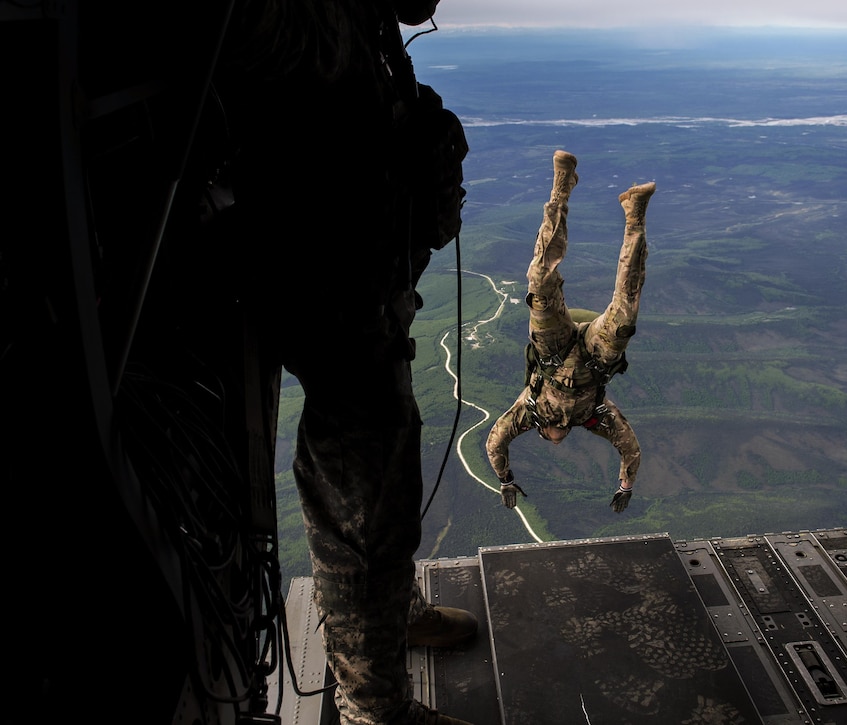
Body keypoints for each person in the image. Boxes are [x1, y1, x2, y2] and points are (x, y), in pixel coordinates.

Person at [218, 1, 477, 723]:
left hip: (354, 285)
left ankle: (388, 618)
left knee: (381, 475)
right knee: (365, 505)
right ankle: (373, 706)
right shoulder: (308, 16)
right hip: (321, 286)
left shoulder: (357, 16)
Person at [485, 150, 655, 515]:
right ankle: (635, 216)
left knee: (540, 283)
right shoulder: (593, 417)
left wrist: (505, 477)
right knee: (625, 315)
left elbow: (496, 443)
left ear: (543, 432)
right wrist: (626, 485)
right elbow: (630, 447)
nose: (557, 442)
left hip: (553, 351)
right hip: (595, 357)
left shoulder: (528, 413)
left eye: (550, 440)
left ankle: (562, 188)